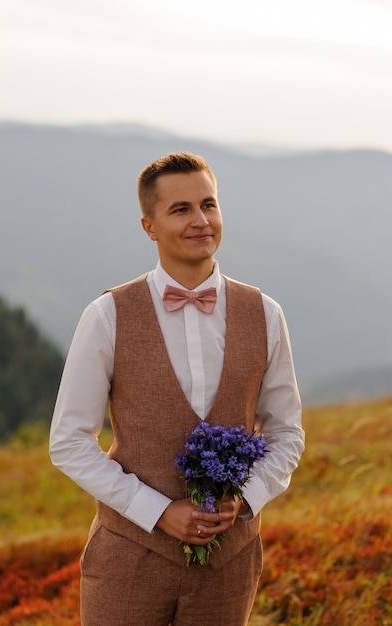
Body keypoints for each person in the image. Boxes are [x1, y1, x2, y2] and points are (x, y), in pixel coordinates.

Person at [49, 152, 304, 626]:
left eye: (209, 204)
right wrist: (157, 510)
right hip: (129, 559)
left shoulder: (266, 313)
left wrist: (246, 497)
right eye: (181, 209)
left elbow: (287, 433)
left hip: (230, 565)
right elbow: (68, 443)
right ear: (149, 226)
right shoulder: (107, 316)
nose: (201, 220)